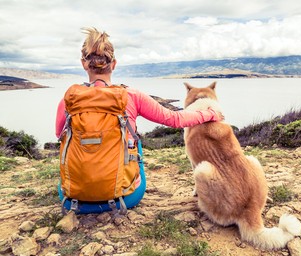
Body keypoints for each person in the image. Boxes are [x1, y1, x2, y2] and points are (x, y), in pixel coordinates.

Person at [55, 27, 223, 213]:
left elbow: (58, 135)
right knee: (134, 141)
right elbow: (174, 119)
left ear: (84, 64)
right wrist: (209, 114)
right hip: (125, 198)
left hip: (72, 200)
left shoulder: (69, 99)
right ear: (114, 63)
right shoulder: (131, 95)